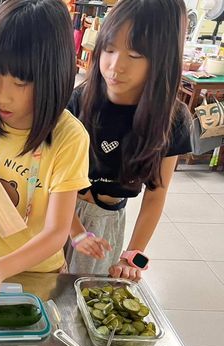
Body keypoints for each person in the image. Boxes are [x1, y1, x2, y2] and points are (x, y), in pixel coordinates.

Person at [0, 0, 90, 316]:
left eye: (20, 82)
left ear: (53, 76)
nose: (2, 96)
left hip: (40, 273)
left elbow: (57, 233)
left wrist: (0, 270)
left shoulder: (70, 138)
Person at [65, 0, 191, 281]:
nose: (115, 66)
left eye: (134, 54)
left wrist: (134, 254)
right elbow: (51, 174)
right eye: (109, 49)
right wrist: (73, 229)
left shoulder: (173, 118)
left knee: (88, 295)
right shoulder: (79, 100)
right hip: (59, 209)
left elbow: (156, 193)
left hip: (107, 220)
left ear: (162, 59)